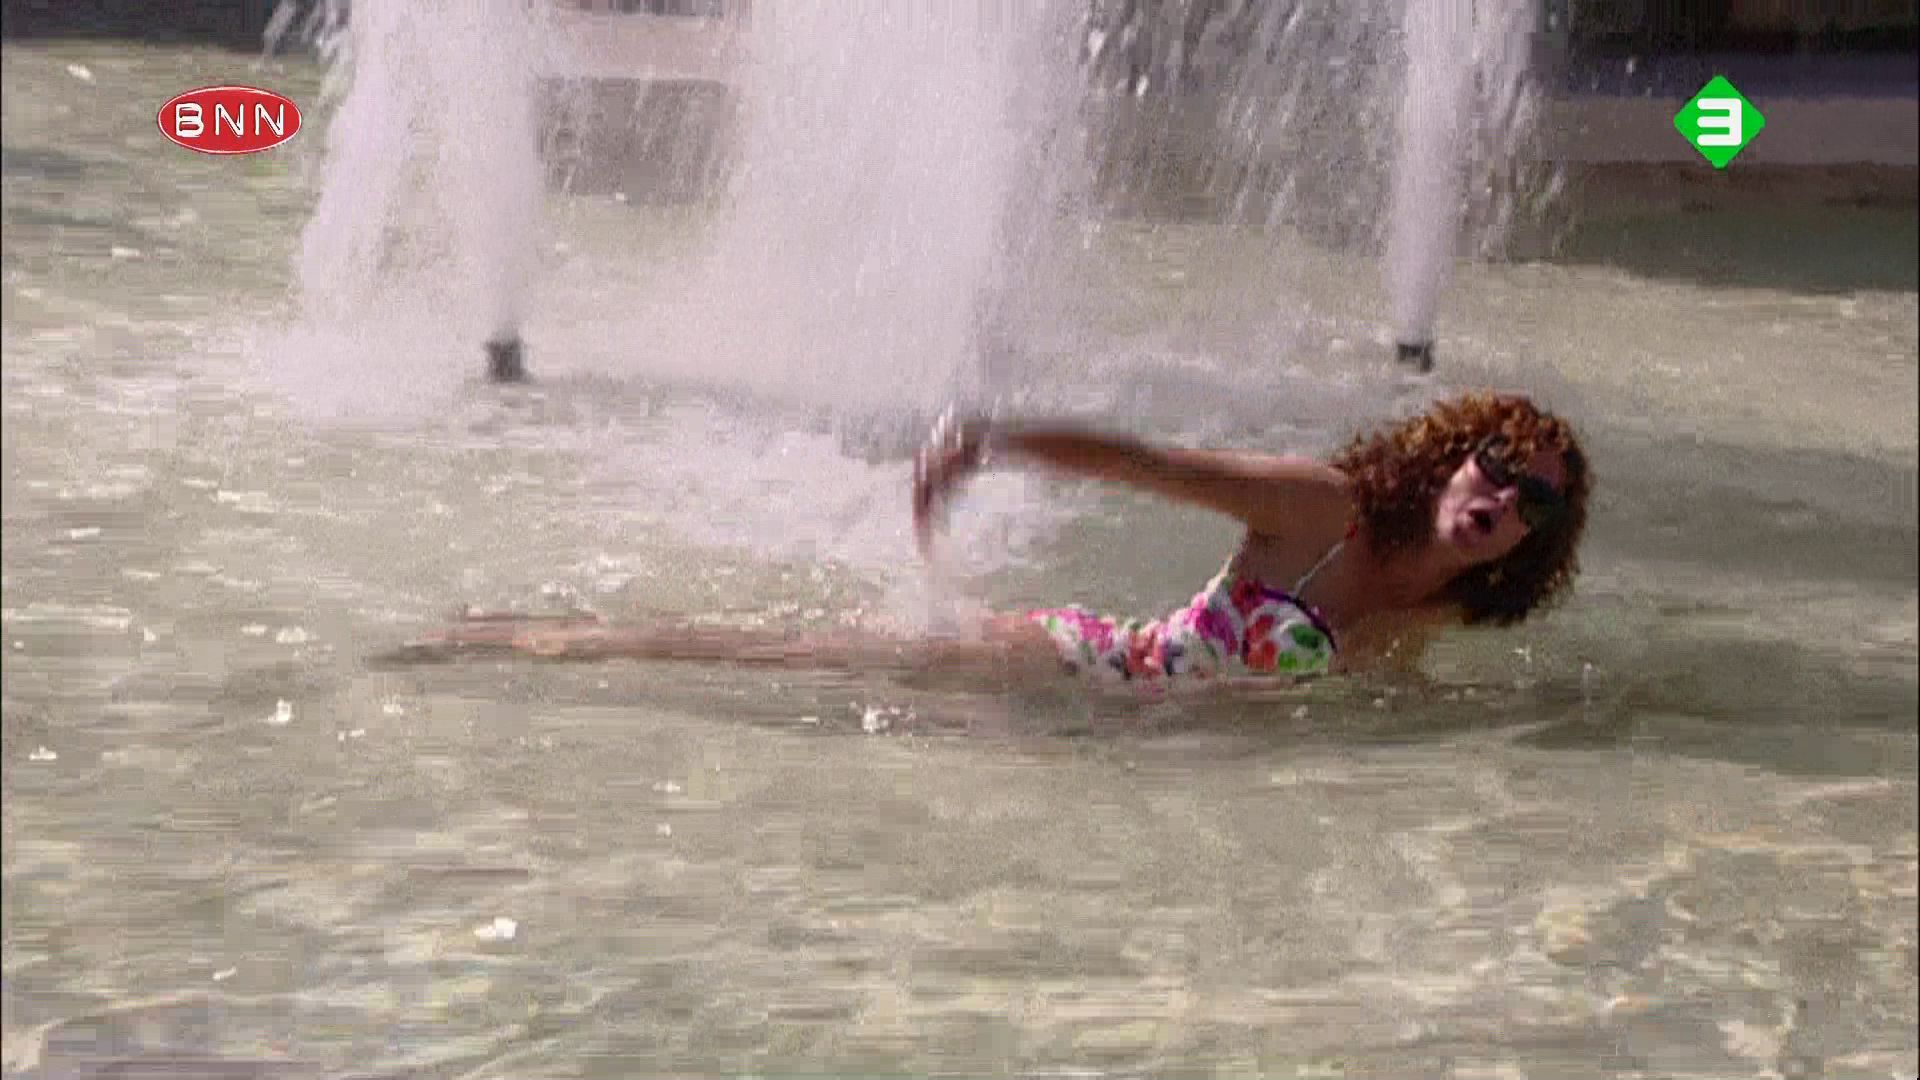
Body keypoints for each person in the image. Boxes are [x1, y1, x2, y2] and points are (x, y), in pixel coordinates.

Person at [385, 391, 1590, 684]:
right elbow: (1151, 465)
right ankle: (524, 639)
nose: (1503, 499)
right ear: (1454, 457)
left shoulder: (1440, 608)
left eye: (1533, 505)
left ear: (1525, 548)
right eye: (1498, 466)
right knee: (782, 660)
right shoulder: (1326, 511)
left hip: (1119, 761)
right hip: (1068, 673)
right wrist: (995, 441)